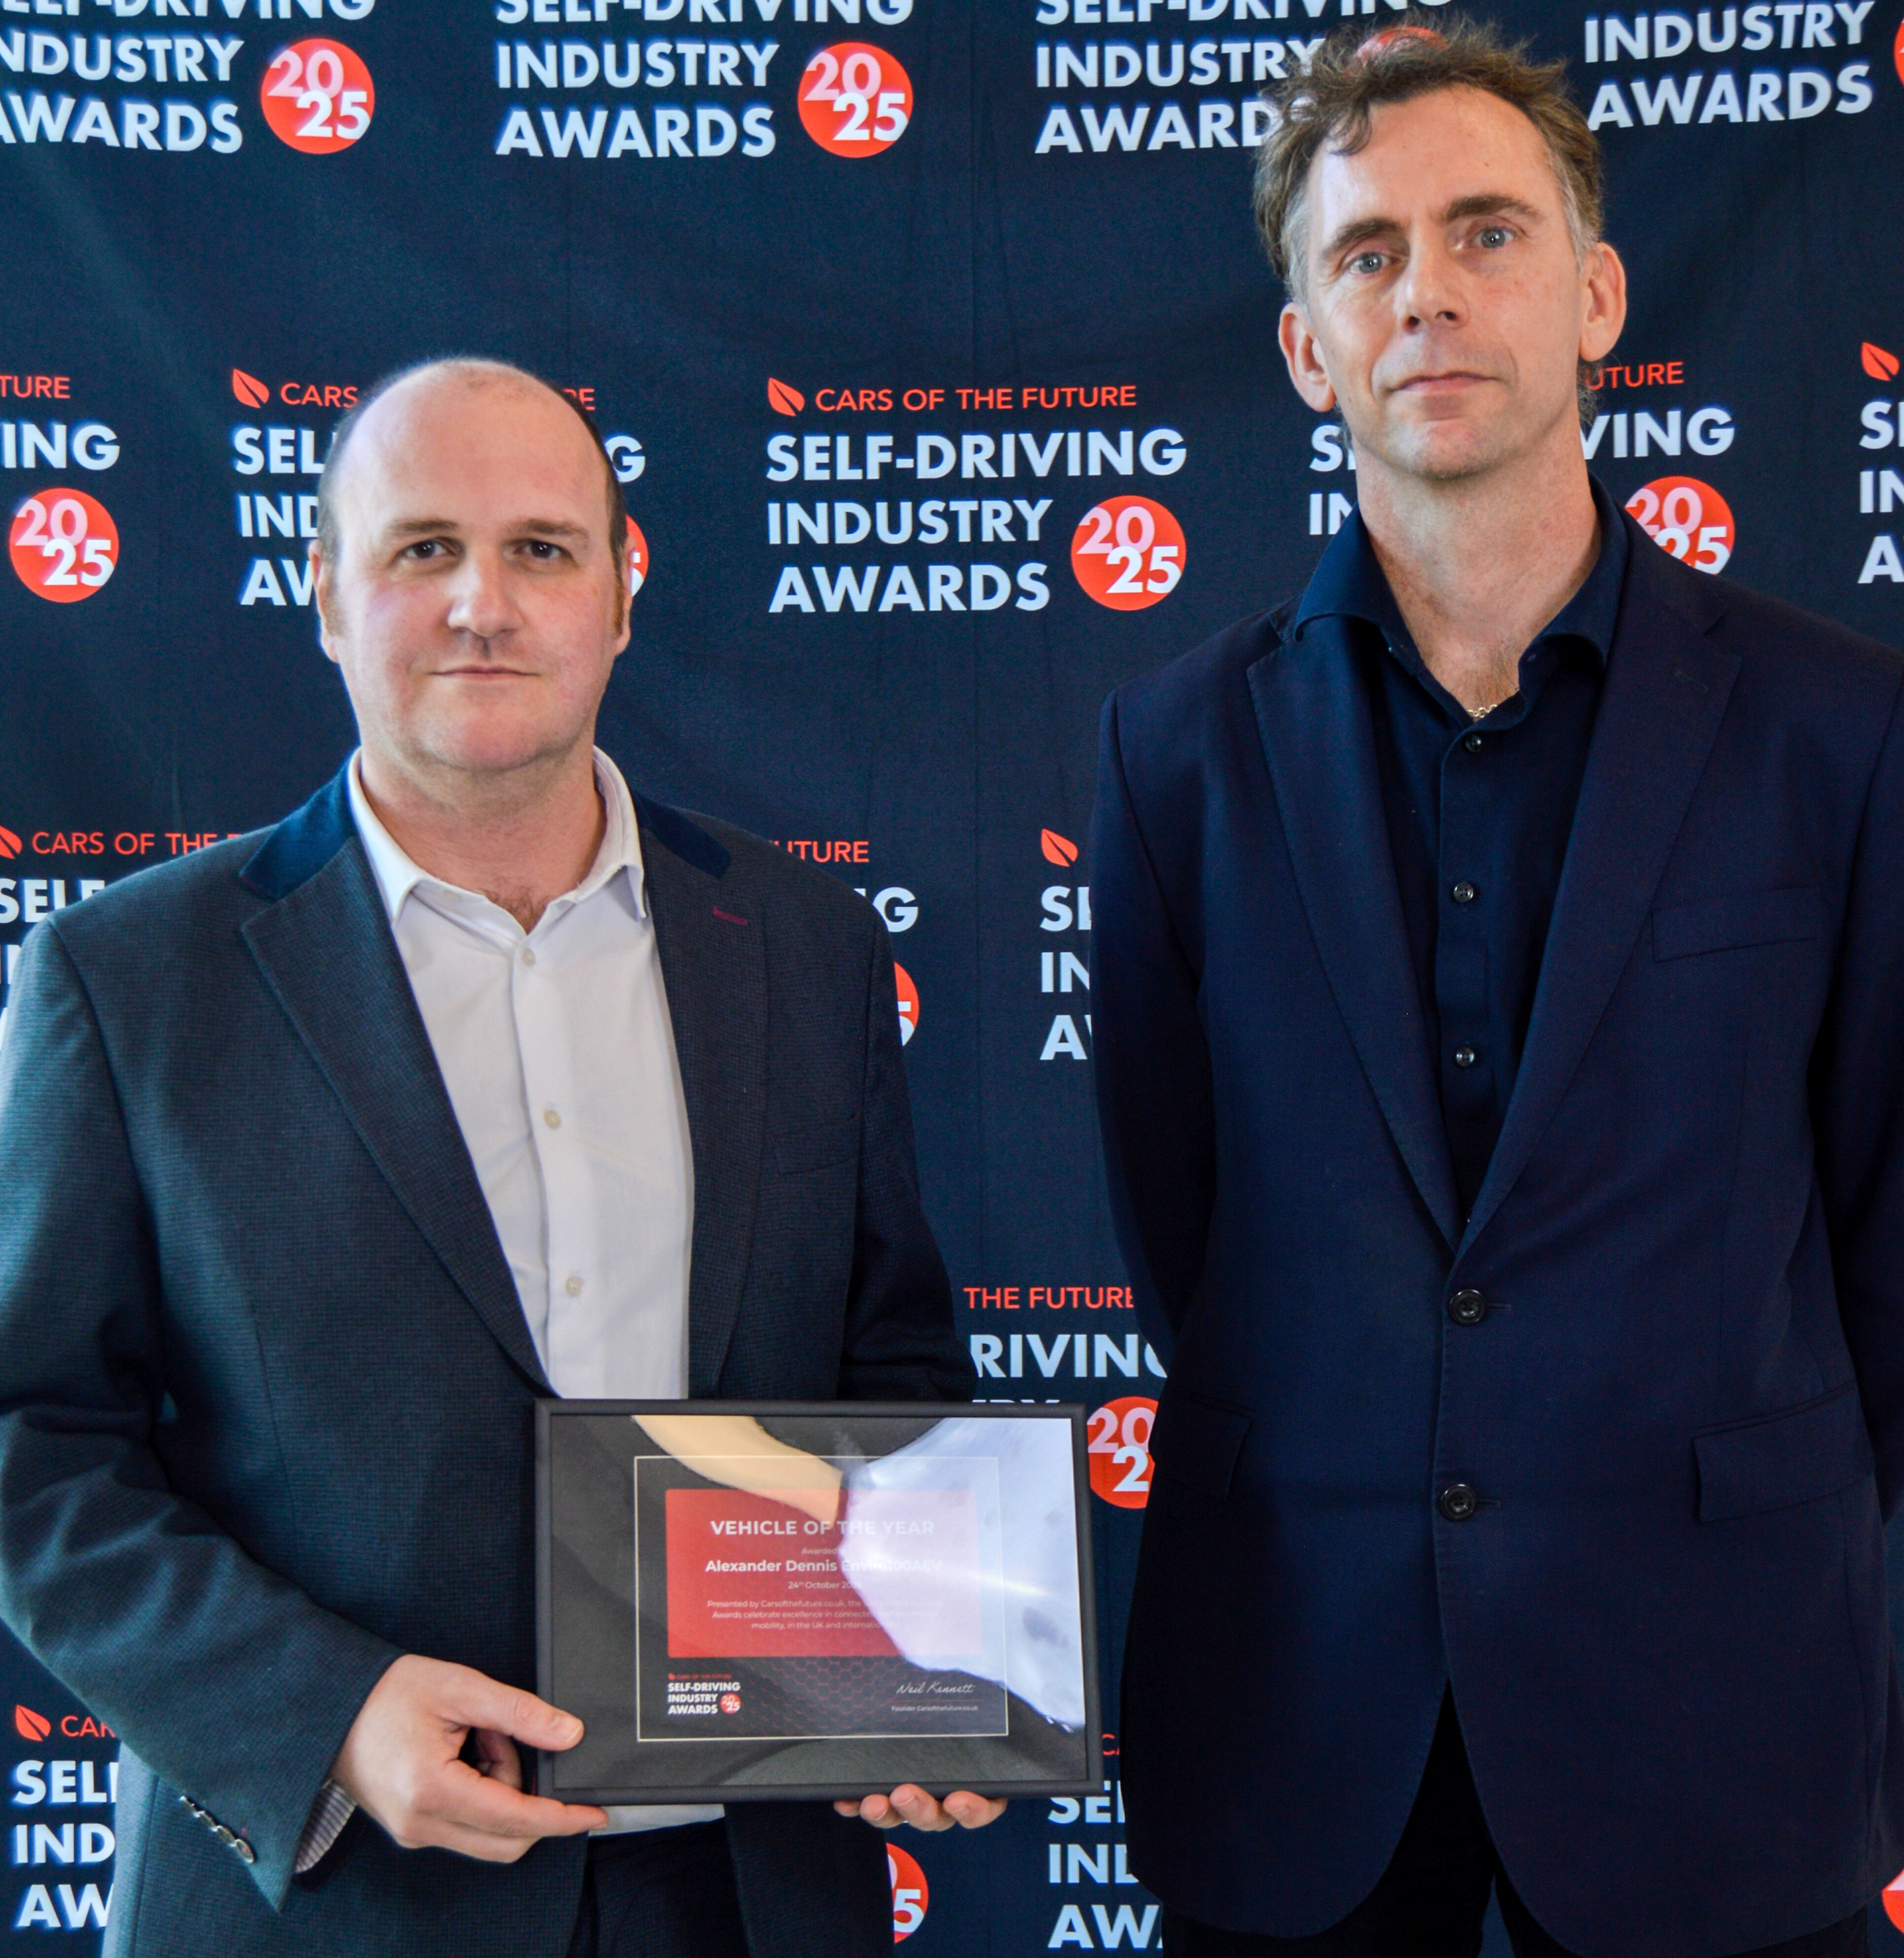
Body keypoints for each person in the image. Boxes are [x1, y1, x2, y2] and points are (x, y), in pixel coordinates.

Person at [0, 356, 1001, 1958]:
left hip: (742, 1894)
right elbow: (33, 1443)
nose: (484, 603)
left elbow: (885, 1365)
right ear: (327, 594)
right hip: (336, 1902)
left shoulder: (804, 943)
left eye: (542, 547)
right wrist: (325, 1714)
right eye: (423, 550)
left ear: (620, 592)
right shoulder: (129, 978)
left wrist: (919, 1671)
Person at [1092, 21, 1904, 1958]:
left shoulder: (1841, 728)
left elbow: (1884, 1219)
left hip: (1715, 1686)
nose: (1427, 293)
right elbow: (1179, 1216)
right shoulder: (1174, 751)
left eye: (1487, 232)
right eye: (1366, 253)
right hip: (1301, 1694)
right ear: (1308, 346)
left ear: (1597, 295)